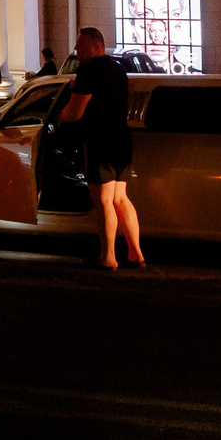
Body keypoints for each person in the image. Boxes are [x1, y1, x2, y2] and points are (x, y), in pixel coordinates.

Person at [56, 26, 144, 270]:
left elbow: (75, 112)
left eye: (80, 45)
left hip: (100, 139)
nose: (75, 49)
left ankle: (108, 257)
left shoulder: (88, 70)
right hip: (122, 139)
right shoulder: (119, 69)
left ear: (95, 46)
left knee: (103, 201)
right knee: (120, 198)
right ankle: (136, 254)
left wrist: (60, 116)